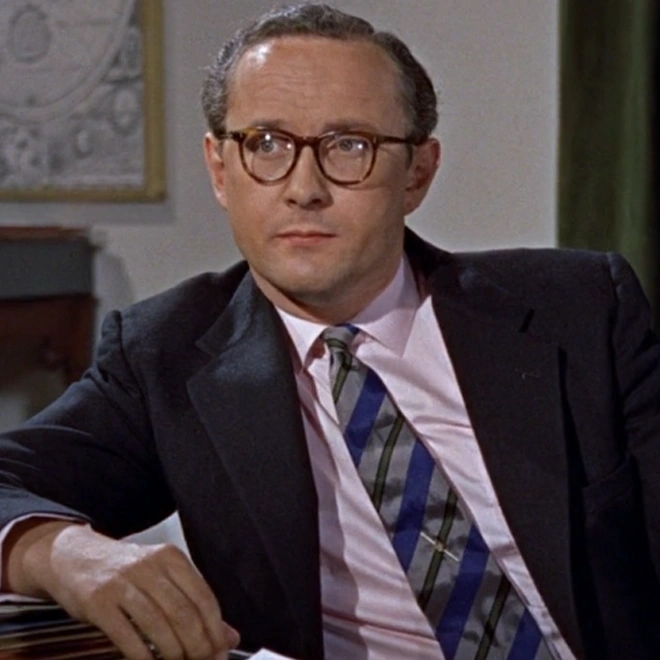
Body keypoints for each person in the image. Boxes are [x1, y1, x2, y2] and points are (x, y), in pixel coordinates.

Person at [1, 3, 659, 659]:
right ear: (220, 169)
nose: (304, 188)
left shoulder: (580, 309)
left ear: (418, 173)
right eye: (266, 144)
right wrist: (60, 549)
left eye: (350, 145)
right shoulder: (164, 357)